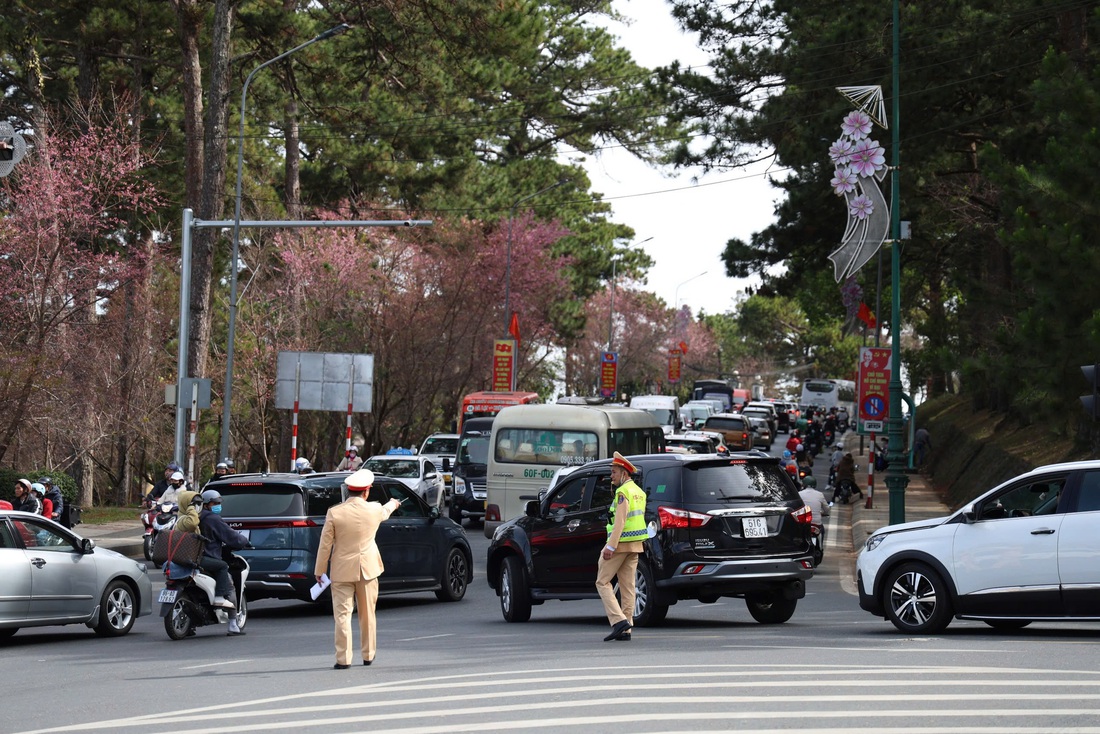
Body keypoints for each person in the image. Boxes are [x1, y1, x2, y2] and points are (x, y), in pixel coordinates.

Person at [314, 468, 401, 669]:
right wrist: (394, 503)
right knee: (367, 614)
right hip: (368, 569)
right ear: (367, 491)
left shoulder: (334, 513)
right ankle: (368, 654)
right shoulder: (374, 509)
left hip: (342, 571)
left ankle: (343, 659)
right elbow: (386, 510)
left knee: (342, 616)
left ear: (348, 490)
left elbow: (325, 545)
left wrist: (320, 570)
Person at [595, 452, 648, 643]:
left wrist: (610, 546)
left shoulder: (622, 492)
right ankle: (626, 629)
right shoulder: (639, 492)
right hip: (635, 545)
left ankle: (618, 622)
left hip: (619, 545)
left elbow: (620, 521)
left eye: (614, 472)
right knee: (628, 587)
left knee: (602, 582)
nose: (612, 476)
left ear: (624, 473)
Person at [197, 489, 249, 615]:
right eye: (215, 504)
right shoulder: (212, 519)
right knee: (229, 584)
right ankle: (233, 623)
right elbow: (231, 536)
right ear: (206, 505)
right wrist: (244, 541)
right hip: (206, 557)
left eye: (219, 503)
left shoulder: (192, 517)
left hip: (188, 557)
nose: (218, 506)